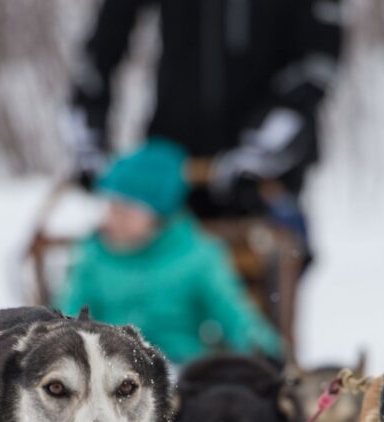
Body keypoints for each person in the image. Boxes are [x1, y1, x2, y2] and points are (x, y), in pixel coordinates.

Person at [64, 0, 343, 245]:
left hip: (264, 179)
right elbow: (102, 45)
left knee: (260, 284)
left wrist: (262, 149)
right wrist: (90, 137)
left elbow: (317, 64)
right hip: (174, 167)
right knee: (153, 280)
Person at [55, 139, 282, 365]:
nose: (115, 219)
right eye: (112, 208)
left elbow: (233, 314)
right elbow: (71, 313)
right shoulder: (94, 255)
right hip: (109, 369)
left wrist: (262, 349)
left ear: (157, 216)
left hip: (179, 367)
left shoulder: (198, 256)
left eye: (127, 211)